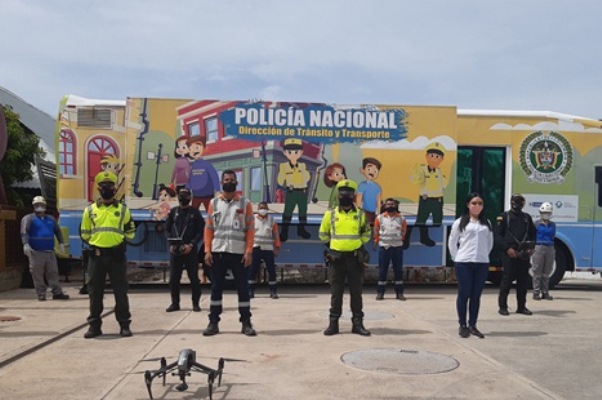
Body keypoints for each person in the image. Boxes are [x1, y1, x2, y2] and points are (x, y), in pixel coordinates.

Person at [80, 171, 136, 338]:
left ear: (115, 188)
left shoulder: (123, 210)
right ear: (98, 189)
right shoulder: (90, 210)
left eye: (110, 186)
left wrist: (119, 242)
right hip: (97, 256)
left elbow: (131, 231)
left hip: (116, 256)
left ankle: (124, 325)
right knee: (95, 292)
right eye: (103, 186)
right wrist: (97, 243)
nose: (107, 189)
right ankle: (94, 326)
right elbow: (84, 233)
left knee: (121, 292)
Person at [202, 170, 257, 336]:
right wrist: (207, 250)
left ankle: (246, 323)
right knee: (216, 288)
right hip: (218, 251)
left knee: (243, 289)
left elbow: (250, 229)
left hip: (238, 253)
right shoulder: (214, 203)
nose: (229, 182)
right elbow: (209, 229)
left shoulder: (245, 204)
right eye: (226, 180)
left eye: (232, 180)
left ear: (236, 183)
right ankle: (213, 322)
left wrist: (249, 251)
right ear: (221, 182)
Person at [319, 179, 371, 336]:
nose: (345, 195)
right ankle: (333, 324)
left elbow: (366, 233)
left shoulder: (360, 214)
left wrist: (357, 245)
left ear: (353, 196)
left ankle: (358, 324)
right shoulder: (330, 214)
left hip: (355, 259)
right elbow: (323, 234)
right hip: (336, 259)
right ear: (338, 195)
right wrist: (333, 248)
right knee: (336, 293)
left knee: (356, 293)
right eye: (342, 193)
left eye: (348, 193)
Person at [448, 193, 494, 338]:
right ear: (468, 205)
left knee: (476, 295)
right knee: (464, 293)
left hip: (481, 263)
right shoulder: (460, 222)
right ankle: (462, 325)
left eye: (480, 203)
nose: (477, 206)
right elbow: (452, 241)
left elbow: (489, 242)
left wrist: (483, 255)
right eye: (474, 203)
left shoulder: (486, 223)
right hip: (464, 262)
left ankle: (473, 324)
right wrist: (456, 258)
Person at [20, 196, 70, 301]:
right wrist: (25, 244)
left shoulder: (51, 219)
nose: (39, 207)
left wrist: (61, 243)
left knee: (53, 273)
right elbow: (24, 232)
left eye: (41, 205)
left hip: (50, 251)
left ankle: (57, 293)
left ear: (45, 206)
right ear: (33, 206)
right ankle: (41, 293)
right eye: (37, 205)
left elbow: (57, 231)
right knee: (37, 274)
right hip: (36, 252)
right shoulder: (28, 218)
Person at [164, 187, 205, 312]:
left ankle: (196, 304)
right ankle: (175, 303)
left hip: (190, 250)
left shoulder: (195, 213)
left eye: (185, 195)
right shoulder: (173, 212)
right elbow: (166, 229)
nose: (182, 197)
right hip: (175, 249)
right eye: (180, 195)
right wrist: (171, 243)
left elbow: (201, 231)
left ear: (190, 197)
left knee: (194, 279)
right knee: (174, 279)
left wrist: (192, 244)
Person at [496, 194, 537, 316]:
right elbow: (497, 235)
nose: (516, 204)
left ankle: (521, 307)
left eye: (519, 202)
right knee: (507, 281)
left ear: (523, 204)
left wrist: (531, 247)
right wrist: (507, 249)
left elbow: (533, 234)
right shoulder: (504, 217)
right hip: (509, 254)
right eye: (515, 201)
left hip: (523, 253)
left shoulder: (527, 218)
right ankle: (503, 307)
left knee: (523, 282)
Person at [406, 142, 448, 248]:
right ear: (426, 156)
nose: (434, 159)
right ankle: (408, 239)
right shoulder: (421, 170)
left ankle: (427, 238)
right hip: (425, 199)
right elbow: (415, 180)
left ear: (442, 159)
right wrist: (416, 176)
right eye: (432, 156)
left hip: (438, 200)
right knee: (420, 220)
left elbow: (444, 184)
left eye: (437, 157)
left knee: (437, 221)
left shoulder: (440, 171)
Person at [277, 138, 311, 241]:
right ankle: (284, 232)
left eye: (296, 152)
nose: (293, 154)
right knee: (287, 212)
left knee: (303, 212)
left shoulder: (302, 165)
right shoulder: (283, 166)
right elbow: (280, 181)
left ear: (301, 152)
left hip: (302, 192)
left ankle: (301, 230)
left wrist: (301, 170)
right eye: (290, 152)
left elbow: (307, 178)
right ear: (285, 153)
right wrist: (285, 176)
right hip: (291, 192)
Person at [373, 198, 407, 301]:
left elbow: (404, 230)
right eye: (388, 204)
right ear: (385, 206)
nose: (390, 206)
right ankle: (380, 293)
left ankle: (399, 293)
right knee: (382, 271)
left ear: (395, 205)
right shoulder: (380, 218)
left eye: (392, 204)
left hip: (397, 247)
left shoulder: (401, 218)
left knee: (398, 271)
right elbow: (376, 230)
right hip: (384, 247)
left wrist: (400, 238)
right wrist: (376, 240)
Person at [247, 202, 281, 299]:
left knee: (271, 271)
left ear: (267, 209)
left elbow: (276, 235)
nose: (263, 210)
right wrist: (247, 249)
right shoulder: (252, 219)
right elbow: (248, 234)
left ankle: (273, 292)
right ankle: (250, 291)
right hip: (255, 248)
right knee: (252, 271)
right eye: (261, 208)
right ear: (258, 209)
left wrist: (277, 247)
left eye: (264, 208)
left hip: (268, 249)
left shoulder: (272, 220)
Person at [531, 202, 556, 301]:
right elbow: (532, 235)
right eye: (545, 212)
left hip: (550, 247)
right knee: (537, 270)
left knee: (547, 271)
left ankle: (545, 292)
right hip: (539, 246)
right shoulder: (536, 224)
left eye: (548, 212)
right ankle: (536, 292)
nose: (546, 214)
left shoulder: (552, 225)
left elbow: (553, 235)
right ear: (541, 212)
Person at [357, 157, 382, 226]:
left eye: (375, 171)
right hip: (364, 211)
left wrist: (379, 213)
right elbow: (359, 198)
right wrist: (358, 211)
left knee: (373, 226)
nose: (372, 172)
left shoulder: (377, 187)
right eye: (369, 169)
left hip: (373, 212)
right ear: (362, 170)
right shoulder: (362, 185)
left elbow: (378, 201)